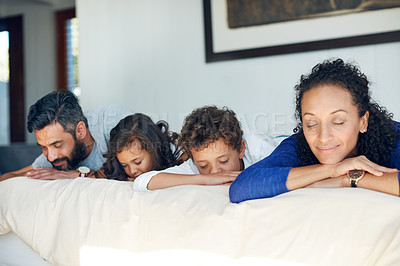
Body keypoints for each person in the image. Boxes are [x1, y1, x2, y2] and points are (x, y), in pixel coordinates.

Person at [229, 58, 400, 203]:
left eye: (338, 121)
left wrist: (351, 178)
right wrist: (331, 171)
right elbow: (241, 188)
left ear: (363, 122)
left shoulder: (391, 138)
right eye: (311, 124)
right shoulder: (298, 144)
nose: (323, 137)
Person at [133, 105, 278, 191]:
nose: (215, 172)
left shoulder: (260, 148)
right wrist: (203, 179)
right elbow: (142, 182)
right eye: (203, 166)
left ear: (240, 149)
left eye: (223, 161)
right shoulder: (195, 164)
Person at [0, 90, 132, 181]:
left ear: (80, 130)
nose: (50, 157)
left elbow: (140, 165)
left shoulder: (113, 121)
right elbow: (8, 176)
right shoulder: (55, 156)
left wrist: (78, 175)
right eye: (43, 147)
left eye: (57, 145)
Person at [103, 113, 182, 181]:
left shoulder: (181, 161)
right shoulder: (120, 175)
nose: (132, 171)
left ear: (154, 150)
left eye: (138, 162)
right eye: (124, 165)